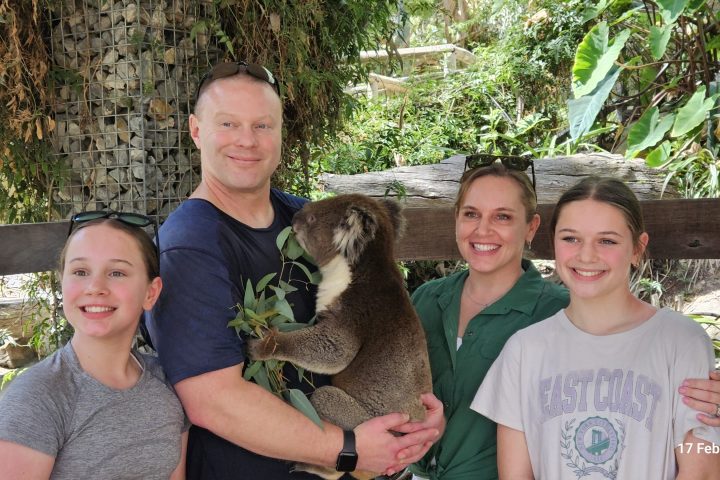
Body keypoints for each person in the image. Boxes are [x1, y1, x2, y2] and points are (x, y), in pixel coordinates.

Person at [143, 61, 444, 480]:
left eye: (263, 125)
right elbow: (212, 399)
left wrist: (415, 417)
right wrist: (349, 450)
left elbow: (386, 323)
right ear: (196, 130)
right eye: (228, 123)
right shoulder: (190, 246)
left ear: (281, 132)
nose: (247, 140)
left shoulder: (304, 219)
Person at [408, 162, 720, 480]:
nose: (586, 255)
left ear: (637, 248)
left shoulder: (682, 342)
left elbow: (704, 459)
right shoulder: (524, 348)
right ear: (553, 242)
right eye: (571, 238)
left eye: (607, 241)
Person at [0, 212, 188, 479]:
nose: (95, 287)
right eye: (80, 271)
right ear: (62, 282)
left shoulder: (167, 382)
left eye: (116, 272)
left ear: (151, 292)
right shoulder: (37, 398)